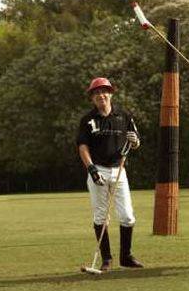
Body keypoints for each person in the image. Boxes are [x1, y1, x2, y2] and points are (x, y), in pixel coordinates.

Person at [76, 77, 144, 271]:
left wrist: (135, 141)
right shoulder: (87, 120)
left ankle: (126, 256)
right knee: (100, 217)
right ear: (92, 98)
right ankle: (106, 259)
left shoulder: (124, 116)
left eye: (104, 92)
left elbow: (136, 141)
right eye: (97, 93)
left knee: (128, 216)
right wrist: (91, 169)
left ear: (111, 94)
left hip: (119, 170)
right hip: (98, 170)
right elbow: (82, 147)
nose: (101, 95)